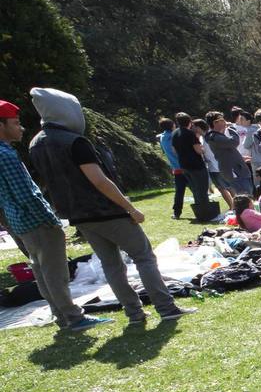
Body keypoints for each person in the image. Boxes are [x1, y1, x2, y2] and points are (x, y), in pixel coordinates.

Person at [27, 88, 194, 326]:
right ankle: (166, 307)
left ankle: (134, 313)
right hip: (106, 211)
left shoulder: (36, 144)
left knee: (111, 264)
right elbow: (99, 180)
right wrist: (130, 208)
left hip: (78, 216)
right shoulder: (74, 142)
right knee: (144, 257)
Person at [0, 99, 106, 330]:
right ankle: (74, 317)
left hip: (20, 223)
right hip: (35, 222)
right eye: (15, 123)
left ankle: (61, 315)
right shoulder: (5, 155)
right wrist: (52, 221)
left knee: (42, 271)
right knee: (55, 273)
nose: (21, 128)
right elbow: (27, 194)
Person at [205, 111, 251, 197]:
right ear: (215, 123)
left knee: (246, 195)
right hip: (234, 172)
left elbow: (227, 151)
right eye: (222, 120)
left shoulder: (219, 136)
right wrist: (232, 129)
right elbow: (234, 142)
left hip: (237, 170)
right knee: (245, 196)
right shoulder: (214, 137)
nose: (225, 122)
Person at [155, 117, 187, 220]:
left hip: (176, 168)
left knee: (179, 192)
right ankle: (203, 209)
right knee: (197, 190)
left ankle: (177, 213)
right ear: (172, 125)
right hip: (185, 167)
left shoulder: (162, 137)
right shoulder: (173, 136)